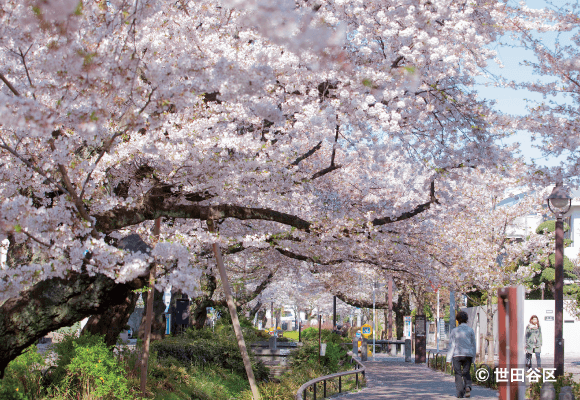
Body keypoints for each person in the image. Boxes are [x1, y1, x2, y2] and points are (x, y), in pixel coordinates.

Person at [447, 311, 476, 398]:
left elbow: (451, 345)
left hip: (457, 355)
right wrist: (473, 357)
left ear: (458, 320)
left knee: (458, 374)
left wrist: (448, 359)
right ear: (466, 320)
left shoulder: (454, 331)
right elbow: (473, 345)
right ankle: (467, 386)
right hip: (468, 355)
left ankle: (460, 393)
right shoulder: (470, 330)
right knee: (466, 372)